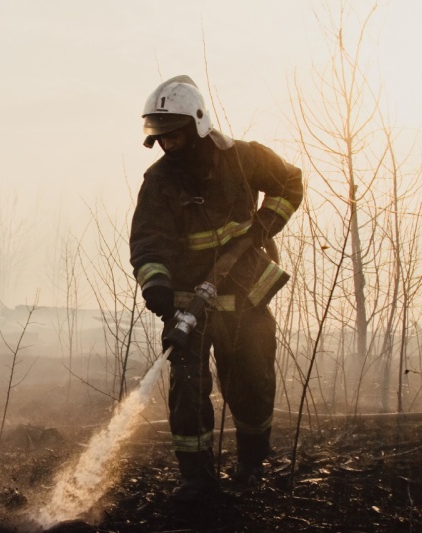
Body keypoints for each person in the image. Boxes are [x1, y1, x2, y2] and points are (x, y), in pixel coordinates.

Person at [129, 75, 303, 503]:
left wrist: (264, 225)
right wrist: (157, 287)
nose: (168, 146)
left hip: (246, 298)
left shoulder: (243, 158)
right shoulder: (159, 183)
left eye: (175, 136)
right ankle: (198, 481)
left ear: (198, 124)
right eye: (161, 139)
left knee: (252, 385)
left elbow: (289, 183)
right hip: (188, 303)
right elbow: (148, 243)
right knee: (187, 395)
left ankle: (250, 468)